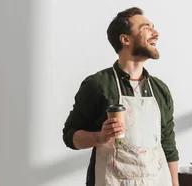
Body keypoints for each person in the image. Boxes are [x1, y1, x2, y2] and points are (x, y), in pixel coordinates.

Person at [62, 7, 179, 186]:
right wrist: (100, 137)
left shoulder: (160, 90)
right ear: (125, 39)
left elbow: (168, 147)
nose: (156, 33)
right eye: (146, 28)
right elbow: (70, 136)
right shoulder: (98, 85)